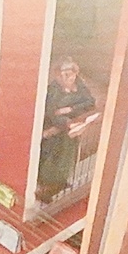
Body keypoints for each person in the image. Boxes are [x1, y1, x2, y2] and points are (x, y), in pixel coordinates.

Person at [35, 54, 100, 203]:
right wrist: (68, 123)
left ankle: (59, 183)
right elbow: (51, 112)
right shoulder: (53, 90)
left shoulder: (80, 86)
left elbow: (90, 103)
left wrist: (70, 109)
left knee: (67, 158)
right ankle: (46, 187)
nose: (68, 78)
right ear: (58, 75)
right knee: (51, 159)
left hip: (70, 132)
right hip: (54, 131)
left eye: (70, 74)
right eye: (64, 75)